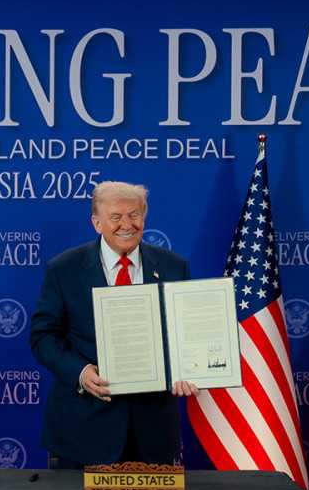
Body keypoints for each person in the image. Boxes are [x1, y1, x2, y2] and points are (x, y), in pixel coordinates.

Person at [30, 181, 198, 468]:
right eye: (116, 217)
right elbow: (43, 337)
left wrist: (186, 366)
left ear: (144, 218)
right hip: (82, 429)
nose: (127, 225)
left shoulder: (174, 266)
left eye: (134, 215)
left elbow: (185, 333)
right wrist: (80, 373)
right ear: (97, 223)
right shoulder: (64, 268)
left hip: (153, 431)